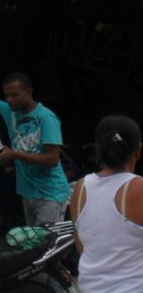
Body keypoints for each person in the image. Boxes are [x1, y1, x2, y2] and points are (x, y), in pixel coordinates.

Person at [0, 59, 71, 225]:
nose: (9, 100)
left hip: (50, 195)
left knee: (46, 247)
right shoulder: (11, 112)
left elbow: (52, 159)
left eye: (15, 95)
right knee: (35, 246)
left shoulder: (46, 118)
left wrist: (14, 154)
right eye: (7, 95)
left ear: (29, 92)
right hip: (28, 193)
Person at [69, 115, 143, 293]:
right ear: (138, 151)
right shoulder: (138, 187)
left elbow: (81, 246)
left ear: (98, 149)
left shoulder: (81, 187)